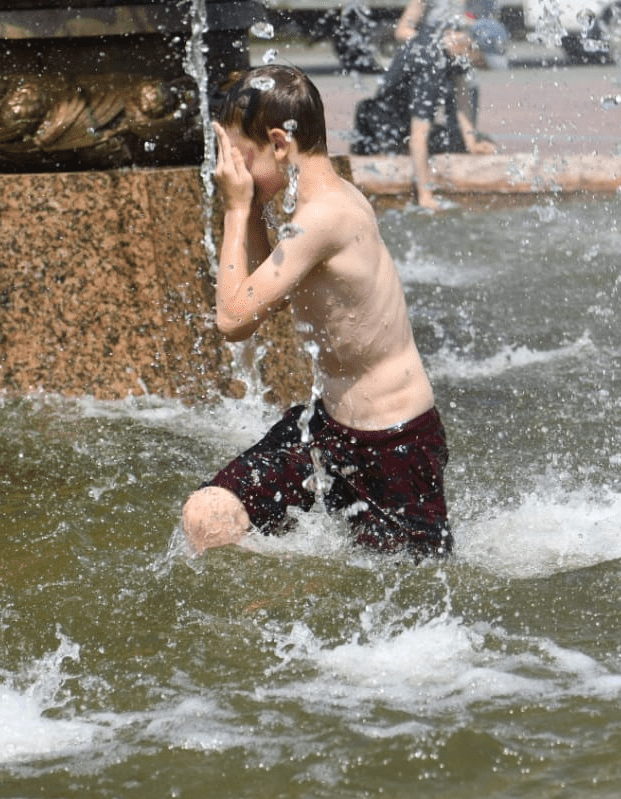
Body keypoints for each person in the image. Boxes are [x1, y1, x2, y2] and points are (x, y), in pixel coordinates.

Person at [182, 65, 451, 559]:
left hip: (394, 446)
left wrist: (235, 210)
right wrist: (254, 201)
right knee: (211, 515)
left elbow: (232, 320)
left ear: (280, 144)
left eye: (241, 155)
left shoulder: (327, 215)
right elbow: (261, 295)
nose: (230, 170)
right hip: (326, 429)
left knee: (412, 595)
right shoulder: (299, 207)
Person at [351, 1, 508, 210]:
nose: (484, 66)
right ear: (471, 47)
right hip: (382, 126)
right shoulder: (431, 64)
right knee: (429, 144)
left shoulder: (453, 41)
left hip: (397, 119)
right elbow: (418, 137)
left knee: (463, 143)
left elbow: (462, 96)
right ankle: (394, 158)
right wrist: (425, 195)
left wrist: (471, 143)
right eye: (483, 61)